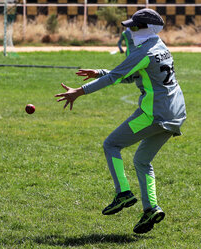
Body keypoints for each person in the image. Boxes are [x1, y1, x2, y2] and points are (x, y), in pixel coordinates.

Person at [54, 8, 186, 234]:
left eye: (134, 27)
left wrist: (80, 91)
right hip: (175, 114)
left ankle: (123, 193)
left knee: (111, 144)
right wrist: (100, 72)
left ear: (148, 28)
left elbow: (116, 77)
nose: (130, 30)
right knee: (142, 161)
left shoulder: (144, 51)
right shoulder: (160, 47)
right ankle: (151, 209)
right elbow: (134, 74)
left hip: (153, 115)